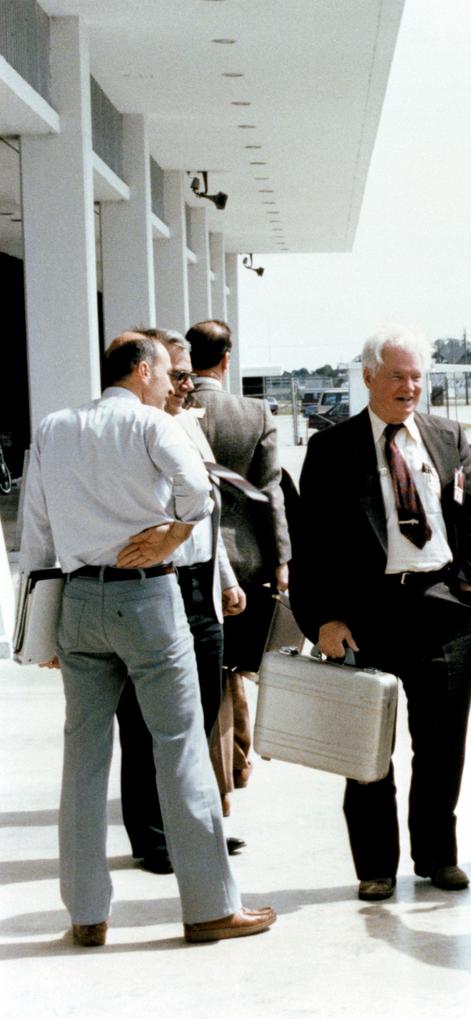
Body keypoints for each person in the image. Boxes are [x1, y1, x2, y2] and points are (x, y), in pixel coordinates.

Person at [19, 332, 275, 947]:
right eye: (166, 373)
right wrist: (168, 536)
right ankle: (210, 906)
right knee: (180, 748)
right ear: (139, 372)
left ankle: (86, 913)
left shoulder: (54, 428)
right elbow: (200, 496)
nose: (172, 385)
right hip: (147, 599)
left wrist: (38, 632)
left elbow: (37, 531)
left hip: (79, 601)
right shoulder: (153, 427)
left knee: (82, 759)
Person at [290, 324, 471, 901]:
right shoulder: (331, 449)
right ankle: (375, 867)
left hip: (443, 611)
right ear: (369, 376)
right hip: (365, 616)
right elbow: (312, 545)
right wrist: (322, 620)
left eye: (416, 377)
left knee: (442, 743)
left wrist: (466, 586)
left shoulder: (447, 436)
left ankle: (438, 856)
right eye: (397, 376)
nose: (409, 387)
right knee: (368, 747)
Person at [113, 330, 248, 873]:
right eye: (179, 375)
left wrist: (226, 579)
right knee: (144, 723)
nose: (186, 386)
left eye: (191, 375)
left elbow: (207, 511)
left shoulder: (188, 425)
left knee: (200, 714)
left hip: (199, 587)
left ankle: (198, 826)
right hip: (153, 584)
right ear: (152, 372)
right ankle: (151, 837)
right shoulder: (129, 434)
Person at [186, 319, 291, 812]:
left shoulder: (176, 409)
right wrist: (282, 558)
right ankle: (231, 770)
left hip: (189, 556)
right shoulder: (254, 412)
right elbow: (271, 493)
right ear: (227, 358)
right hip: (245, 558)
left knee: (205, 669)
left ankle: (227, 767)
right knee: (231, 665)